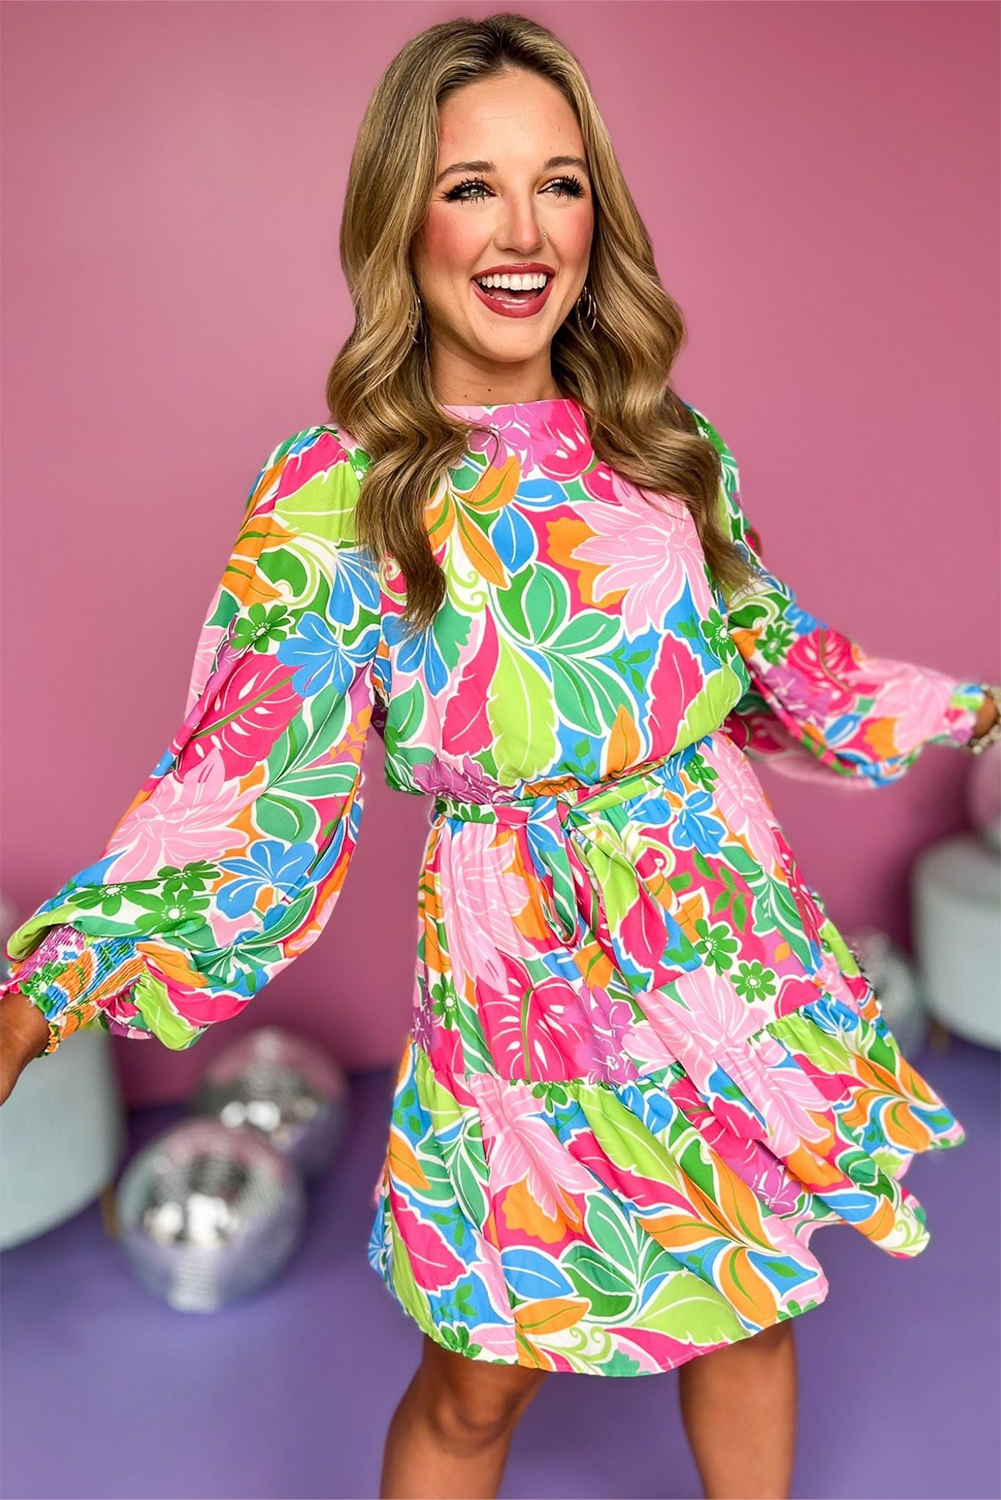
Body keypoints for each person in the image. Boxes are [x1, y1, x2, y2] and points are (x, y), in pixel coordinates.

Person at [2, 13, 998, 1500]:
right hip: (525, 970)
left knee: (751, 1308)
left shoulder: (665, 447)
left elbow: (782, 660)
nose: (524, 232)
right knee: (479, 1376)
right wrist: (37, 995)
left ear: (599, 213)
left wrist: (976, 708)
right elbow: (241, 786)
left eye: (560, 183)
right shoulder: (338, 496)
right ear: (400, 219)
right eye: (472, 186)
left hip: (719, 931)